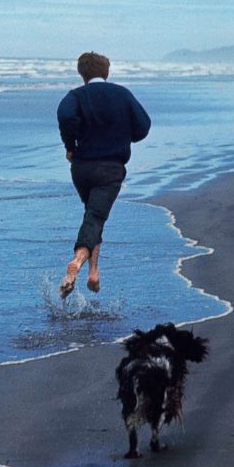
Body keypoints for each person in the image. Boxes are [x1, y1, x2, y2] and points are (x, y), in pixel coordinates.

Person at [56, 51, 151, 298]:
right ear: (106, 72)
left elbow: (66, 116)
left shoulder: (75, 96)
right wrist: (121, 135)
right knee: (96, 217)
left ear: (82, 73)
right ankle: (77, 262)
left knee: (93, 214)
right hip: (110, 168)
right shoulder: (122, 94)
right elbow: (143, 126)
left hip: (81, 167)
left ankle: (94, 272)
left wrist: (70, 145)